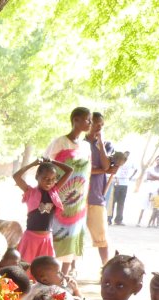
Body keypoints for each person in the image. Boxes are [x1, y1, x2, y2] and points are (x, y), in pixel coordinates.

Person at [46, 107, 94, 277]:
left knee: (72, 236)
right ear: (75, 120)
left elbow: (86, 172)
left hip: (78, 202)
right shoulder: (60, 143)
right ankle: (49, 274)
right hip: (59, 198)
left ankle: (64, 278)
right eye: (87, 119)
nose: (90, 123)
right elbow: (46, 166)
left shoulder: (87, 146)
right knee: (55, 236)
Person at [12, 157, 73, 265]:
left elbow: (69, 170)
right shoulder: (29, 191)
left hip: (46, 239)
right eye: (45, 178)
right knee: (26, 269)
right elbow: (16, 176)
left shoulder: (54, 190)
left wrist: (52, 161)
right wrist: (33, 164)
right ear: (37, 177)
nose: (49, 181)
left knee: (45, 270)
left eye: (53, 179)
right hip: (31, 239)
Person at [85, 112, 114, 265]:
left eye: (102, 125)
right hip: (78, 196)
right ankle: (72, 268)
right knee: (75, 235)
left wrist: (101, 144)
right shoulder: (80, 143)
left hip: (96, 196)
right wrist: (99, 170)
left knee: (101, 237)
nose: (99, 127)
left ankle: (105, 267)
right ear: (88, 123)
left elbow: (106, 166)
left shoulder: (107, 144)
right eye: (96, 123)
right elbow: (79, 170)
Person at [137, 155, 159, 227]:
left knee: (156, 207)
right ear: (155, 160)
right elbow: (148, 177)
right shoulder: (150, 169)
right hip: (149, 189)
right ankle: (139, 222)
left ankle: (153, 223)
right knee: (144, 205)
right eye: (158, 159)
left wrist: (154, 176)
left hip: (158, 190)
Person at [110, 154, 137, 225]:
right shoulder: (117, 161)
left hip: (125, 184)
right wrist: (115, 178)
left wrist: (130, 177)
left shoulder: (130, 162)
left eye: (127, 155)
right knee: (112, 202)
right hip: (116, 183)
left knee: (121, 203)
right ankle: (109, 219)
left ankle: (118, 220)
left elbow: (136, 169)